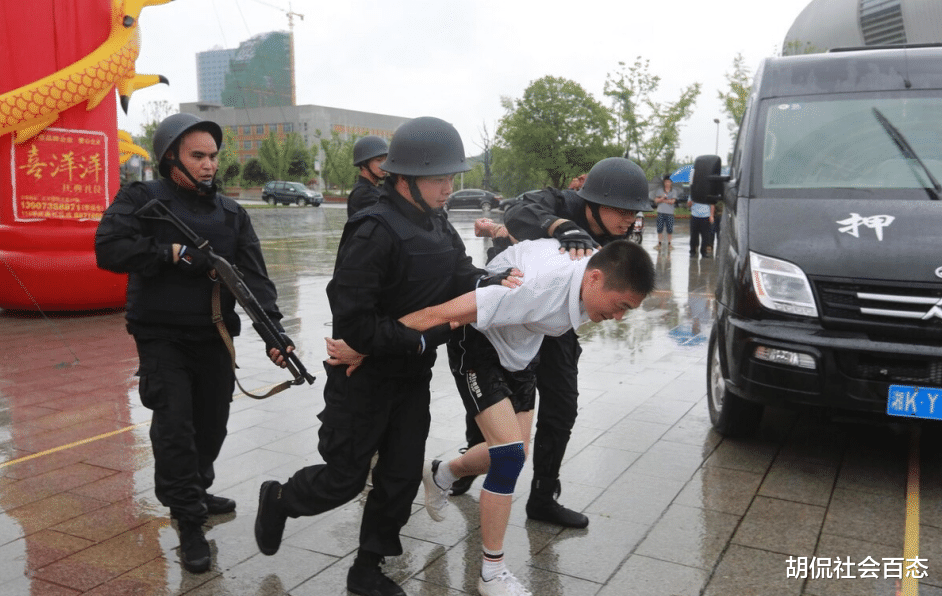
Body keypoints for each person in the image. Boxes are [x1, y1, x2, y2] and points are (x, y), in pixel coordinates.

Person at [253, 117, 520, 596]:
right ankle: (280, 498)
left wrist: (490, 282)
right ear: (405, 177)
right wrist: (420, 339)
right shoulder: (373, 230)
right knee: (344, 478)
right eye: (440, 178)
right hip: (364, 378)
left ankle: (367, 567)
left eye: (451, 177)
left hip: (410, 379)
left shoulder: (436, 223)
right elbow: (354, 323)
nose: (448, 188)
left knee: (399, 478)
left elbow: (458, 271)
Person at [95, 113, 291, 574]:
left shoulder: (230, 214)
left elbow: (255, 280)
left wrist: (275, 335)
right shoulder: (141, 198)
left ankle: (196, 489)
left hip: (214, 336)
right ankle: (188, 520)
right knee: (176, 429)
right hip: (161, 336)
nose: (209, 165)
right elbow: (108, 249)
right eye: (198, 156)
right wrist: (170, 254)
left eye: (213, 157)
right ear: (171, 158)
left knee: (212, 424)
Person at [406, 238, 656, 596]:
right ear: (595, 279)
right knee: (507, 457)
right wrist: (364, 344)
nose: (618, 317)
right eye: (620, 306)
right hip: (479, 343)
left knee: (515, 452)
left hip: (522, 353)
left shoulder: (590, 278)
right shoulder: (533, 286)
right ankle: (491, 573)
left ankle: (443, 472)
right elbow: (443, 314)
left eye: (626, 311)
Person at [448, 157, 652, 531]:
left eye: (634, 213)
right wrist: (562, 227)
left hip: (557, 321)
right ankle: (469, 464)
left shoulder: (618, 235)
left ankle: (543, 497)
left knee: (562, 405)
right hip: (513, 309)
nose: (629, 219)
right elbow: (517, 212)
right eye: (622, 210)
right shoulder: (561, 203)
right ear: (593, 199)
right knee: (494, 401)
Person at [348, 135, 389, 218]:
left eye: (386, 160)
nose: (384, 165)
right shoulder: (363, 194)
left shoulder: (376, 188)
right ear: (363, 164)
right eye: (379, 160)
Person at [653, 174, 679, 249]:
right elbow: (656, 201)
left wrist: (662, 200)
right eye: (666, 182)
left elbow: (673, 201)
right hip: (660, 212)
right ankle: (659, 243)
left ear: (671, 183)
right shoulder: (659, 190)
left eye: (669, 182)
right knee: (659, 228)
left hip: (670, 213)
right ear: (664, 182)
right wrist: (662, 198)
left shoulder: (674, 191)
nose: (667, 183)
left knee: (670, 229)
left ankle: (669, 244)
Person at [687, 191, 715, 258]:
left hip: (705, 216)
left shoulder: (709, 192)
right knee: (694, 235)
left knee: (705, 236)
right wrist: (691, 201)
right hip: (695, 216)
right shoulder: (693, 192)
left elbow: (712, 205)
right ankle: (692, 251)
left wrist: (711, 215)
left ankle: (703, 252)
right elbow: (688, 204)